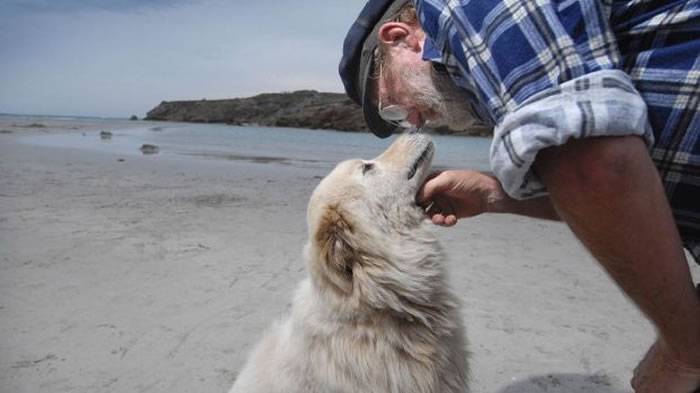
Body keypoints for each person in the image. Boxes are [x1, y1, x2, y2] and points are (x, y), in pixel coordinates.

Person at [338, 0, 700, 392]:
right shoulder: (484, 78)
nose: (413, 122)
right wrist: (496, 195)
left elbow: (592, 166)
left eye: (393, 107)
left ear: (400, 39)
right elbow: (622, 190)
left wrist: (684, 348)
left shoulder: (464, 7)